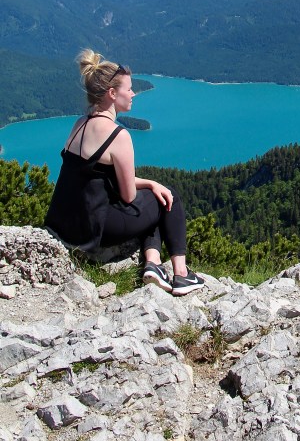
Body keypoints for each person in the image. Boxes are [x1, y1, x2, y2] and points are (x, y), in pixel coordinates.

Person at [46, 48, 204, 296]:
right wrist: (154, 186)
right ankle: (181, 275)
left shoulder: (79, 124)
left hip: (63, 224)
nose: (133, 94)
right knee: (167, 197)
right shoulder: (118, 135)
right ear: (111, 94)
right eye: (128, 89)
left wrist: (150, 184)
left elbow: (97, 177)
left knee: (155, 195)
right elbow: (128, 196)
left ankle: (153, 265)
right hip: (93, 230)